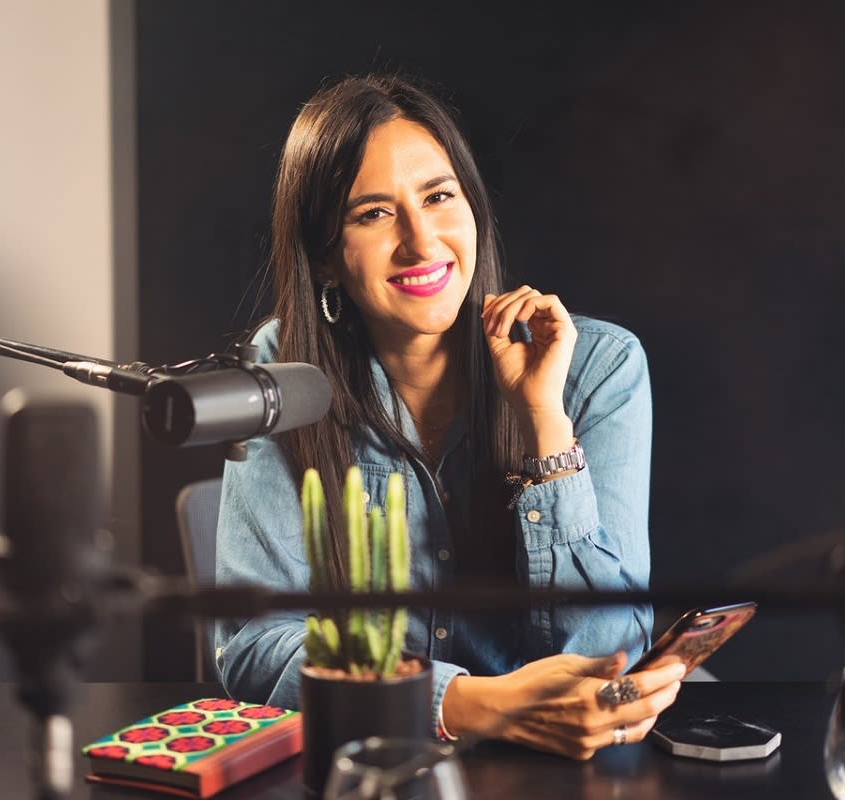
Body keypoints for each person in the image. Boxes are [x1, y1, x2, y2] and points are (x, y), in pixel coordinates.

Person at [211, 73, 683, 760]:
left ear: (473, 209)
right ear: (325, 258)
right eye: (373, 214)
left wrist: (543, 419)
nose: (421, 241)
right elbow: (253, 645)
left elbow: (606, 655)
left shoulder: (600, 368)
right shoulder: (281, 372)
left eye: (438, 197)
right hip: (372, 769)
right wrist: (468, 705)